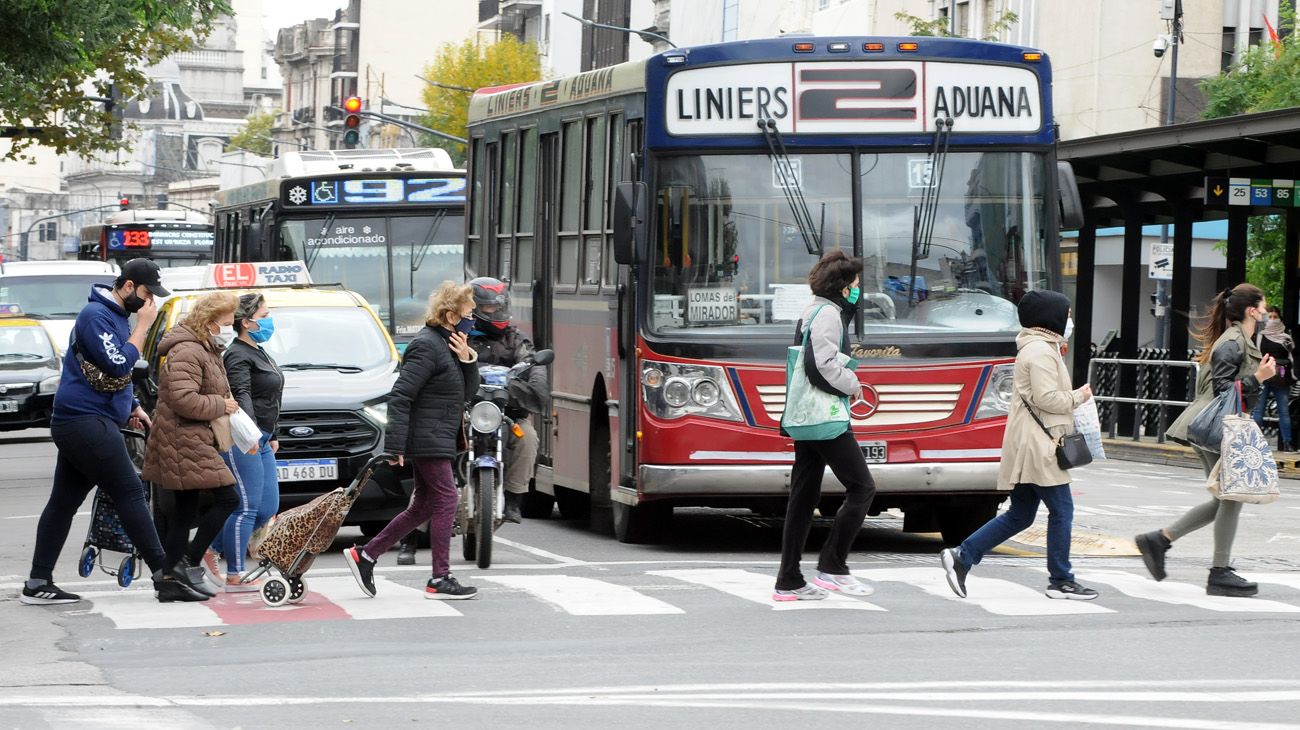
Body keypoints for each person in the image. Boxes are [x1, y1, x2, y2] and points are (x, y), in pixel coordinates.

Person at [21, 259, 210, 604]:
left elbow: (113, 376)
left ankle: (37, 581)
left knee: (63, 503)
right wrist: (143, 327)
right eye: (145, 293)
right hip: (83, 421)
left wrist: (131, 405)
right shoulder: (96, 316)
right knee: (130, 491)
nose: (149, 301)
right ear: (126, 287)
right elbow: (119, 363)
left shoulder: (115, 317)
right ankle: (163, 576)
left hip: (88, 419)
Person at [941, 290, 1100, 601]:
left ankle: (963, 555)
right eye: (1065, 314)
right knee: (1062, 510)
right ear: (1049, 316)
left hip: (1032, 442)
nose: (1069, 320)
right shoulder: (1040, 351)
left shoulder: (1039, 347)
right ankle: (1061, 579)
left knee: (1021, 514)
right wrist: (1079, 396)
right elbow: (1047, 399)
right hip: (1039, 446)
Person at [1137, 284, 1275, 598]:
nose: (1267, 311)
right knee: (1231, 497)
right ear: (1252, 310)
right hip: (1214, 426)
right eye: (1264, 305)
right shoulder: (1232, 342)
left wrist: (1260, 375)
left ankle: (1159, 540)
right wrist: (1258, 378)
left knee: (1223, 499)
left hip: (1218, 425)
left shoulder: (1241, 340)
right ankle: (1219, 572)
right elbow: (1224, 391)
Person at [344, 281, 480, 600]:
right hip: (427, 438)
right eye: (469, 313)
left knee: (423, 505)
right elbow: (401, 397)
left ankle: (366, 555)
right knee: (447, 499)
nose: (473, 319)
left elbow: (467, 395)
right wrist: (395, 446)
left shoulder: (451, 346)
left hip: (438, 436)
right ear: (450, 315)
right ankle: (439, 577)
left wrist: (468, 360)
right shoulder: (427, 345)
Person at [773, 249, 877, 602]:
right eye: (856, 283)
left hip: (806, 418)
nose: (859, 289)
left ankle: (788, 580)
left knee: (803, 498)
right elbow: (820, 366)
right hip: (826, 417)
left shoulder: (813, 310)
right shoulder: (828, 315)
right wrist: (853, 383)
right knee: (862, 488)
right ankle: (833, 566)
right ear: (844, 286)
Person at [141, 291, 242, 603]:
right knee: (229, 498)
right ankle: (188, 562)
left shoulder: (204, 348)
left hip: (189, 437)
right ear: (210, 322)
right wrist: (221, 404)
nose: (231, 325)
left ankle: (171, 581)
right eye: (227, 321)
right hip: (182, 437)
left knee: (183, 511)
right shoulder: (188, 350)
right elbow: (184, 399)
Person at [204, 292, 283, 592]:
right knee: (246, 505)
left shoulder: (258, 350)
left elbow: (271, 397)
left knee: (266, 507)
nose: (269, 321)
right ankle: (235, 573)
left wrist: (272, 434)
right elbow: (242, 394)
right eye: (264, 316)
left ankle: (209, 546)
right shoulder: (237, 354)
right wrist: (250, 434)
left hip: (262, 437)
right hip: (245, 438)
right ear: (247, 323)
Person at [1252, 305, 1294, 453]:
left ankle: (1287, 443)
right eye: (1270, 317)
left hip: (1281, 376)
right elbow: (1257, 353)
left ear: (1280, 318)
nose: (1272, 320)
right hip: (1264, 375)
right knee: (1258, 410)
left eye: (1275, 317)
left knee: (1283, 411)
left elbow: (1291, 355)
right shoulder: (1261, 335)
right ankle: (1255, 442)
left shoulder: (1286, 336)